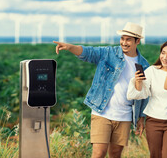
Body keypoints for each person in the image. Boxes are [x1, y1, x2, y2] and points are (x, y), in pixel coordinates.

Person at [53, 22, 149, 158]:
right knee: (99, 153)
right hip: (102, 112)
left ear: (137, 41)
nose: (124, 42)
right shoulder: (109, 53)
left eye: (128, 39)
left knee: (115, 154)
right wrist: (70, 47)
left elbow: (144, 95)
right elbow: (88, 52)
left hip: (125, 115)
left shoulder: (143, 65)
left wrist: (141, 118)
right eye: (122, 38)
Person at [127, 39, 167, 158]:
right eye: (163, 53)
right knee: (155, 155)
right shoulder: (152, 71)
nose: (164, 57)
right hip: (153, 121)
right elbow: (140, 94)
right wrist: (138, 82)